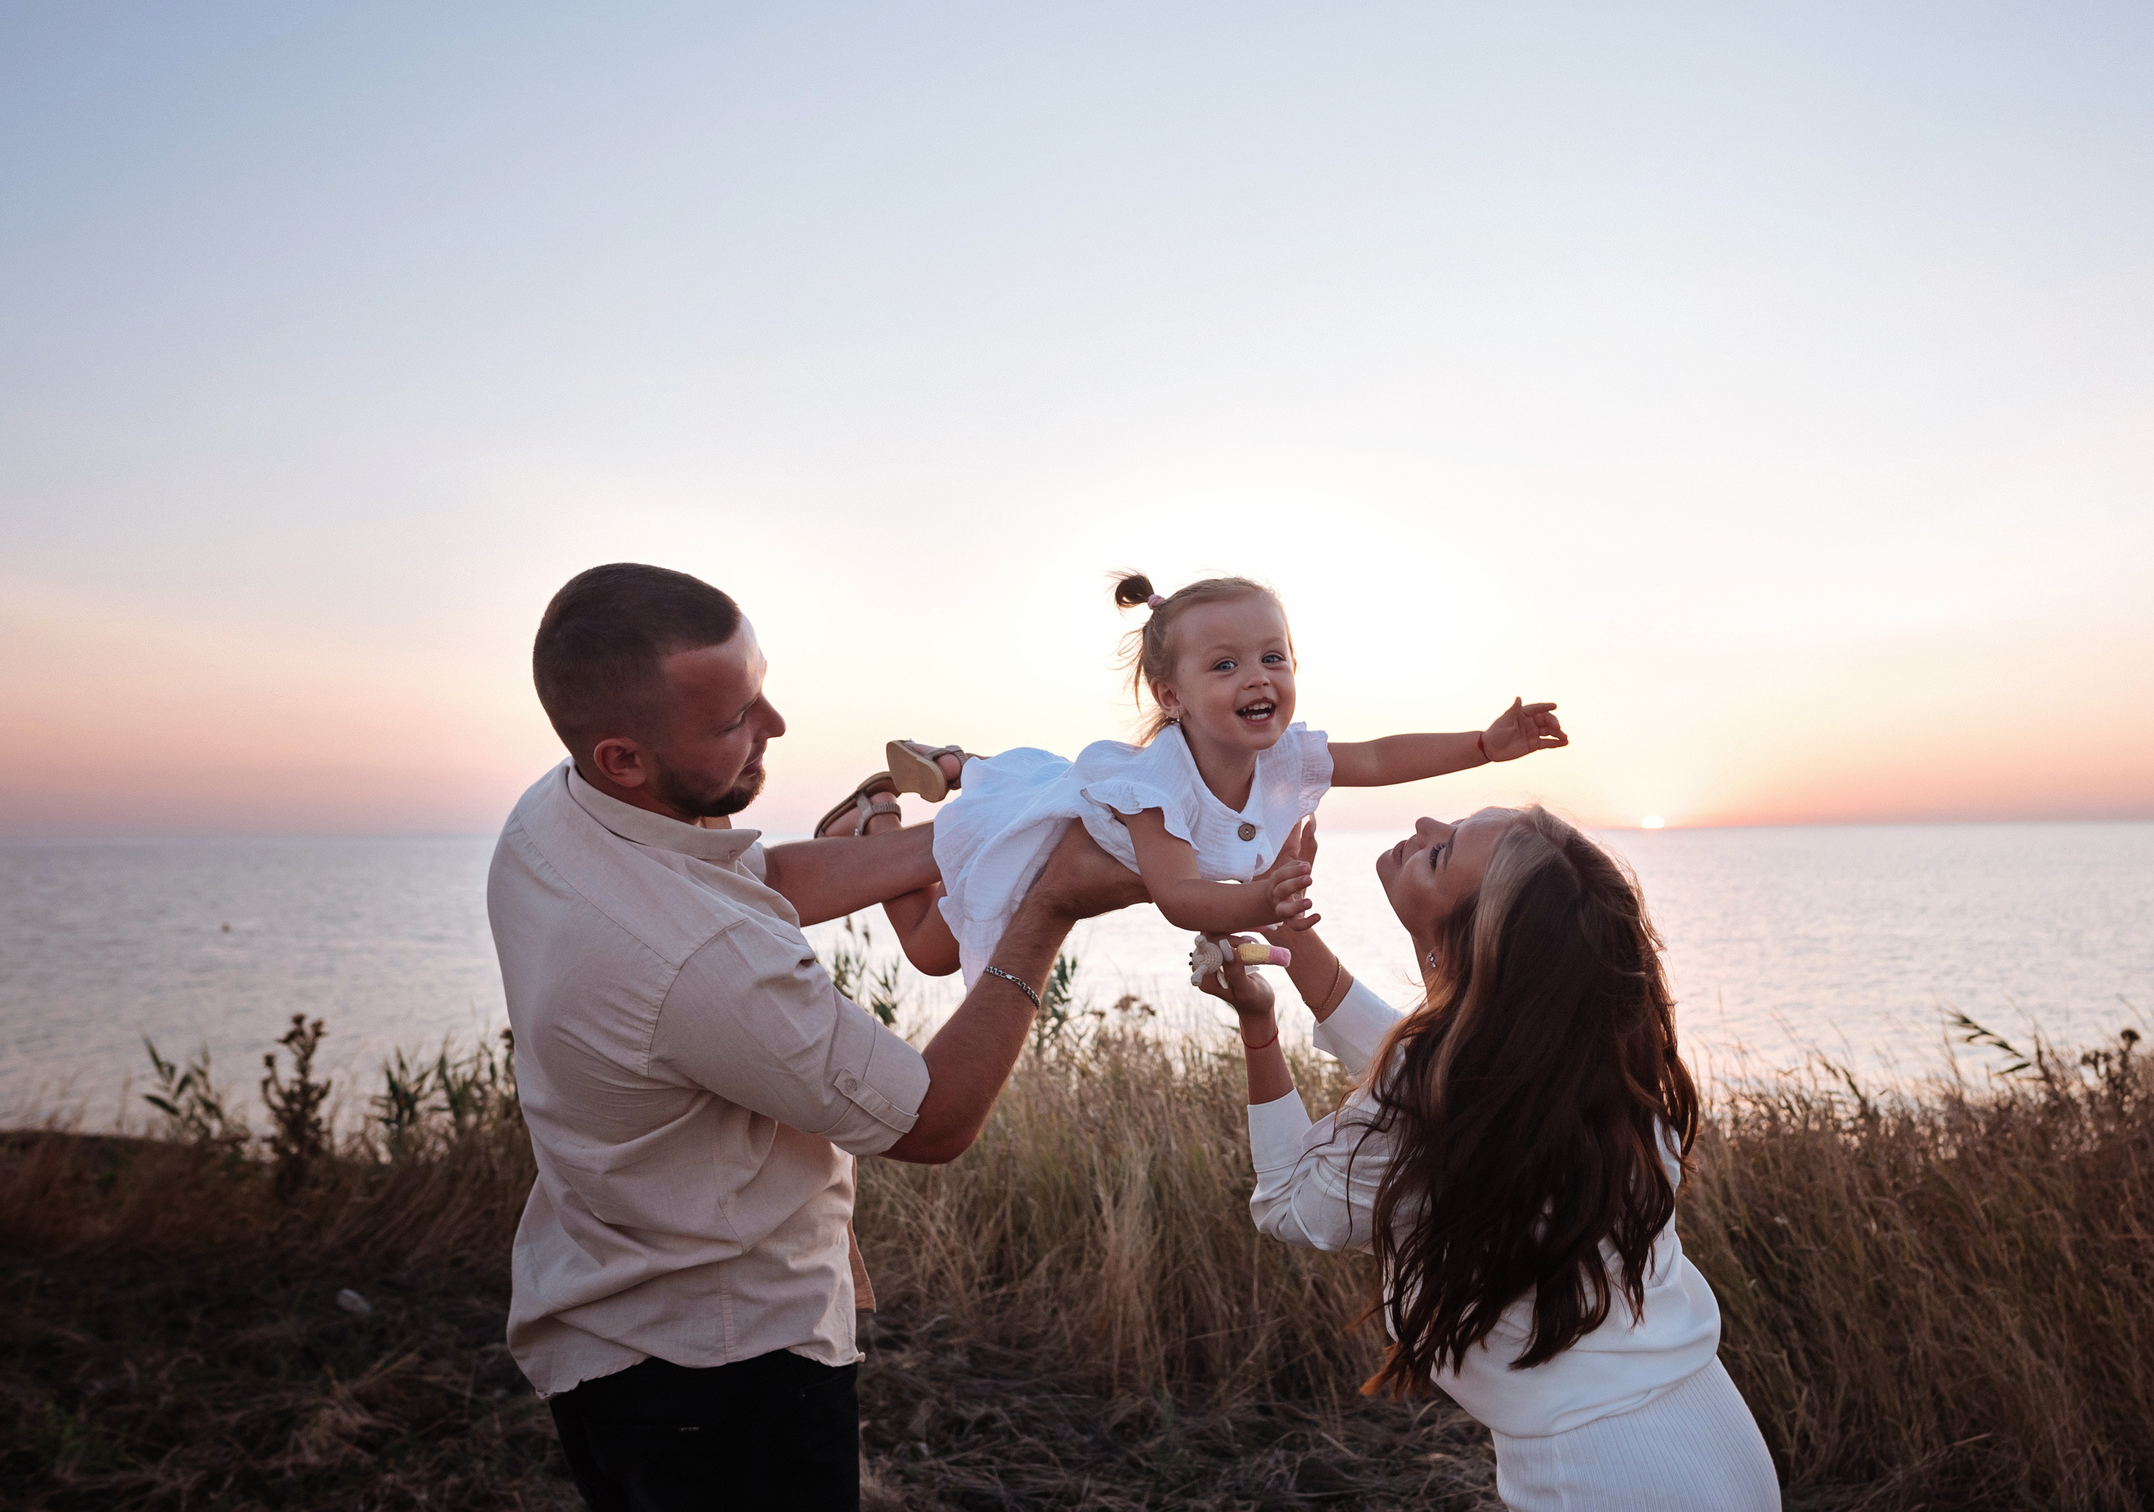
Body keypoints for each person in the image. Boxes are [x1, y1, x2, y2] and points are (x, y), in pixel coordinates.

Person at [486, 563, 1143, 1511]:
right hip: (721, 1383)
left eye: (760, 689)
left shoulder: (555, 813)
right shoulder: (701, 961)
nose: (777, 725)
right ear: (623, 756)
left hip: (601, 1323)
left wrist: (986, 834)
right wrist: (1047, 909)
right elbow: (933, 1121)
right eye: (735, 720)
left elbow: (757, 879)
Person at [1196, 809, 1783, 1512]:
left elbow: (1288, 1201)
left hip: (1604, 1477)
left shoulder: (1458, 1093)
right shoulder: (1589, 1066)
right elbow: (1426, 1070)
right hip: (1718, 1439)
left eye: (1440, 853)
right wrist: (1286, 925)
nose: (1423, 822)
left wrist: (1258, 1025)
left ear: (1463, 946)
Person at [871, 570, 1569, 988]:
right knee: (933, 951)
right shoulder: (1159, 788)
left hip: (1075, 800)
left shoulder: (1286, 757)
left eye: (1273, 657)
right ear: (1171, 696)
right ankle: (874, 820)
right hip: (1044, 834)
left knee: (951, 917)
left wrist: (1485, 745)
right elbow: (1177, 896)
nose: (1258, 677)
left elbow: (1381, 760)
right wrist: (1259, 898)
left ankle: (955, 766)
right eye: (1226, 665)